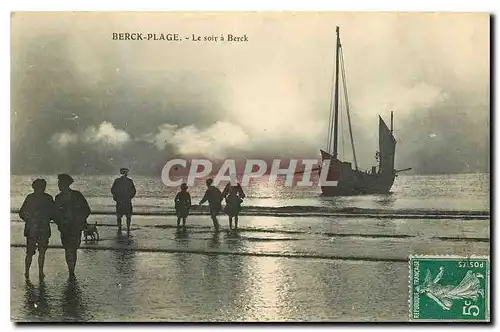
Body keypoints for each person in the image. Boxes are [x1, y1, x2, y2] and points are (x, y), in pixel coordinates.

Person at [54, 174, 91, 279]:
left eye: (61, 183)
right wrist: (60, 223)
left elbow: (86, 210)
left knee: (73, 249)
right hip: (65, 227)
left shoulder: (77, 195)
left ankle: (71, 269)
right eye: (59, 183)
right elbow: (55, 214)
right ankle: (71, 270)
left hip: (75, 226)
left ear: (67, 184)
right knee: (68, 249)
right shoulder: (58, 197)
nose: (59, 185)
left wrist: (80, 220)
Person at [19, 179, 55, 281]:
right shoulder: (47, 198)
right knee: (39, 252)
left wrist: (29, 219)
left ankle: (30, 272)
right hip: (39, 228)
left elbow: (22, 213)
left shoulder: (30, 198)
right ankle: (37, 272)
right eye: (40, 187)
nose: (41, 189)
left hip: (33, 228)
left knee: (32, 252)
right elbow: (54, 213)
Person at [111, 168, 136, 237]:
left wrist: (116, 197)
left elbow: (113, 190)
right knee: (127, 216)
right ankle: (127, 228)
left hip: (121, 201)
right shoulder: (129, 181)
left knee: (120, 216)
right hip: (126, 201)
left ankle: (120, 228)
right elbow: (134, 191)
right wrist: (130, 197)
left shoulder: (118, 181)